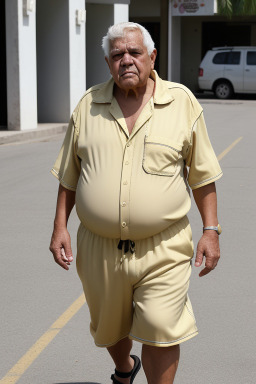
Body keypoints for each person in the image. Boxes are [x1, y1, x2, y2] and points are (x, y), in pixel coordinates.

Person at [49, 22, 222, 384]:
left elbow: (202, 174)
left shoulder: (181, 102)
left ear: (152, 57)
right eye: (117, 55)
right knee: (110, 329)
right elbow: (69, 175)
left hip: (165, 244)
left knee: (161, 325)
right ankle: (125, 368)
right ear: (108, 62)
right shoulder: (88, 106)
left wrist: (211, 230)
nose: (126, 60)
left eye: (134, 53)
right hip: (99, 246)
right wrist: (60, 227)